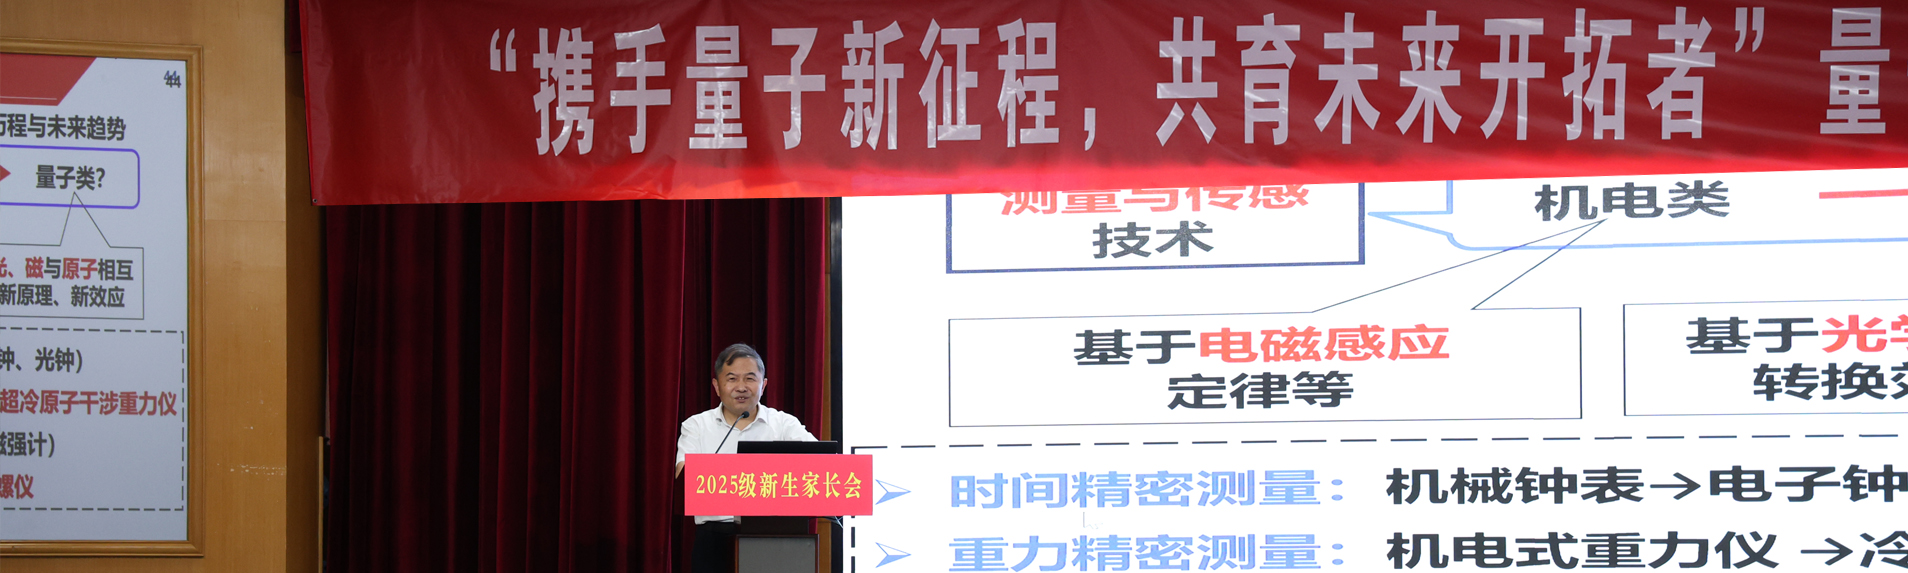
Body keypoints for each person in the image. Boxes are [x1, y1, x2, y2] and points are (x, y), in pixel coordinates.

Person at [676, 343, 817, 573]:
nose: (741, 387)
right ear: (717, 386)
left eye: (750, 379)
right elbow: (684, 474)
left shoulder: (784, 424)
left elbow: (822, 464)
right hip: (714, 540)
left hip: (776, 538)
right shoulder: (697, 425)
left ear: (764, 385)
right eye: (732, 379)